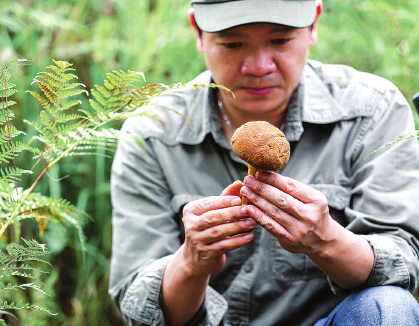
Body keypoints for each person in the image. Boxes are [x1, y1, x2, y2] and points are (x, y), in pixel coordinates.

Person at [108, 0, 419, 325]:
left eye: (280, 41)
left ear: (313, 23)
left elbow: (403, 264)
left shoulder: (371, 112)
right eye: (233, 44)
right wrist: (191, 263)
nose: (258, 66)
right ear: (197, 32)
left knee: (389, 306)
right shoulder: (153, 133)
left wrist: (325, 240)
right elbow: (140, 309)